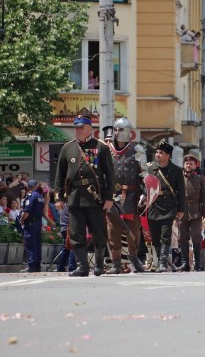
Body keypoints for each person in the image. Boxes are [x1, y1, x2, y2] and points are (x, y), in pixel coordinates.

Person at [54, 115, 115, 277]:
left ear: (90, 129)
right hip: (74, 197)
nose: (78, 130)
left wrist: (109, 197)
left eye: (81, 127)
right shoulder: (67, 148)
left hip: (94, 197)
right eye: (76, 127)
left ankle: (99, 265)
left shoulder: (101, 147)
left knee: (99, 233)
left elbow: (110, 174)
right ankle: (82, 267)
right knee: (75, 233)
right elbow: (60, 175)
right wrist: (58, 197)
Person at [101, 118, 147, 274]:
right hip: (112, 196)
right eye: (115, 129)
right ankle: (116, 264)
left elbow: (145, 175)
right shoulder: (106, 150)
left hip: (132, 197)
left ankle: (134, 259)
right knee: (112, 231)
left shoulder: (138, 150)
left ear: (127, 132)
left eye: (120, 130)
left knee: (133, 231)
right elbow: (102, 175)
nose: (116, 133)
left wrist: (145, 194)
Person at [147, 140, 186, 273]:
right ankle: (159, 260)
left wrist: (181, 209)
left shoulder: (176, 170)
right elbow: (144, 186)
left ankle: (163, 263)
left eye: (161, 153)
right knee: (155, 236)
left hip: (168, 207)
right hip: (153, 206)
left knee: (165, 235)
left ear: (168, 155)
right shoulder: (151, 168)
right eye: (157, 152)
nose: (157, 155)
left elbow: (181, 191)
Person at [177, 154, 205, 271]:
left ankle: (198, 263)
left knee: (196, 236)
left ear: (195, 165)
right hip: (181, 211)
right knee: (182, 237)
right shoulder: (179, 177)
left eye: (191, 163)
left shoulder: (200, 179)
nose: (188, 165)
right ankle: (185, 263)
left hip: (196, 210)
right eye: (186, 163)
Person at [19, 180, 45, 273]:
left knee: (30, 244)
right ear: (36, 185)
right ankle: (37, 266)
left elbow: (27, 211)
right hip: (38, 223)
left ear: (29, 187)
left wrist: (22, 220)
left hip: (30, 223)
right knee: (37, 244)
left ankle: (31, 266)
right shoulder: (40, 196)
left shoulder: (31, 196)